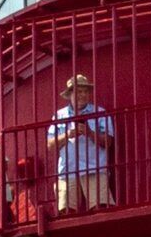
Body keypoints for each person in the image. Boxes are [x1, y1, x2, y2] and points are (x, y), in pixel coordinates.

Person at [47, 74, 112, 213]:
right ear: (70, 94)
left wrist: (89, 133)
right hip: (68, 170)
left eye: (85, 91)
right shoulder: (59, 116)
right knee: (66, 212)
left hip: (95, 168)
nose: (83, 95)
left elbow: (108, 142)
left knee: (100, 209)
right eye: (79, 91)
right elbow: (50, 144)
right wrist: (68, 134)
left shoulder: (100, 113)